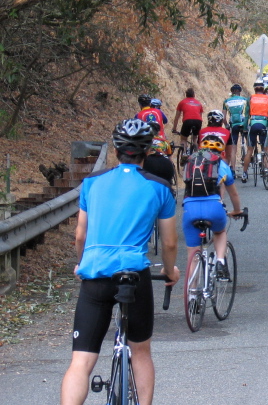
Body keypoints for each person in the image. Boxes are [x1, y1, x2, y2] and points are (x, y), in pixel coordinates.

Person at [61, 119, 180, 405]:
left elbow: (81, 235)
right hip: (133, 276)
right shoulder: (160, 187)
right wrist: (168, 269)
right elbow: (170, 242)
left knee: (81, 361)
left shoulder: (92, 183)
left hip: (95, 275)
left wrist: (81, 264)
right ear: (147, 151)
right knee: (140, 352)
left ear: (116, 149)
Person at [182, 131, 245, 281]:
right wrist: (237, 210)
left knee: (193, 254)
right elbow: (233, 195)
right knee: (219, 232)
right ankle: (220, 261)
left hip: (190, 208)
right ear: (221, 152)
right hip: (214, 207)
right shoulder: (222, 165)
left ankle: (192, 297)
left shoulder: (191, 162)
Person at [242, 82, 268, 182]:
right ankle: (267, 169)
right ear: (263, 89)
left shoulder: (250, 98)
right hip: (264, 123)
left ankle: (245, 173)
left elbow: (246, 115)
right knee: (265, 149)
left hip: (253, 123)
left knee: (249, 150)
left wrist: (245, 127)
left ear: (254, 89)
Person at [222, 84, 250, 175]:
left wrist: (226, 125)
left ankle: (233, 170)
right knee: (249, 144)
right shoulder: (245, 100)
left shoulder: (226, 101)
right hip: (244, 124)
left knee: (233, 148)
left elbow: (223, 117)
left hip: (233, 125)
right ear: (240, 92)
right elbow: (248, 113)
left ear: (232, 92)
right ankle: (250, 156)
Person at [173, 88, 203, 158]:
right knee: (195, 138)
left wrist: (174, 128)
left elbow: (177, 117)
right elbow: (200, 116)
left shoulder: (182, 102)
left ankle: (184, 153)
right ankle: (196, 154)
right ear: (194, 95)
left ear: (186, 95)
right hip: (198, 121)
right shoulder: (199, 103)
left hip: (187, 121)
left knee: (184, 138)